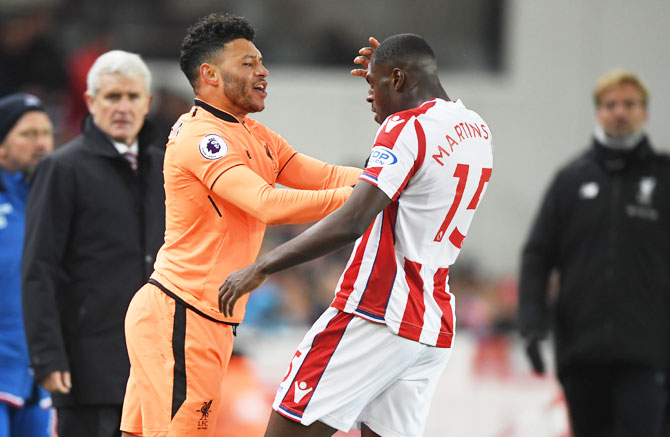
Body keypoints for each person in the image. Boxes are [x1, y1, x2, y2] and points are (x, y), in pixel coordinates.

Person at [219, 33, 494, 437]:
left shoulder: (405, 127)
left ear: (399, 80)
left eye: (373, 85)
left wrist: (263, 265)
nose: (369, 97)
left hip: (375, 312)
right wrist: (388, 68)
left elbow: (353, 220)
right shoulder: (475, 127)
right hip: (430, 323)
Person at [119, 13, 361, 437]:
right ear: (209, 74)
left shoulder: (255, 134)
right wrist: (369, 200)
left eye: (261, 62)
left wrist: (390, 173)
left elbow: (322, 176)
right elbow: (267, 204)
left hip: (196, 316)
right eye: (248, 64)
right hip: (183, 315)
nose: (262, 71)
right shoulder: (201, 137)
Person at [21, 50, 165, 437]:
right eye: (111, 96)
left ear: (147, 103)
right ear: (90, 102)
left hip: (156, 367)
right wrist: (47, 357)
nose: (123, 107)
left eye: (132, 97)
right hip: (88, 371)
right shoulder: (62, 168)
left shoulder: (166, 169)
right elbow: (38, 269)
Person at [518, 70, 669, 437]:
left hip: (648, 354)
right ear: (598, 112)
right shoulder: (570, 180)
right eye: (610, 105)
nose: (620, 112)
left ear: (644, 112)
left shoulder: (664, 178)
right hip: (581, 354)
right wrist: (532, 326)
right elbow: (537, 256)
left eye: (629, 104)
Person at [0, 93, 54, 437]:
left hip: (38, 377)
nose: (41, 143)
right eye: (28, 134)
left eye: (46, 133)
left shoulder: (53, 202)